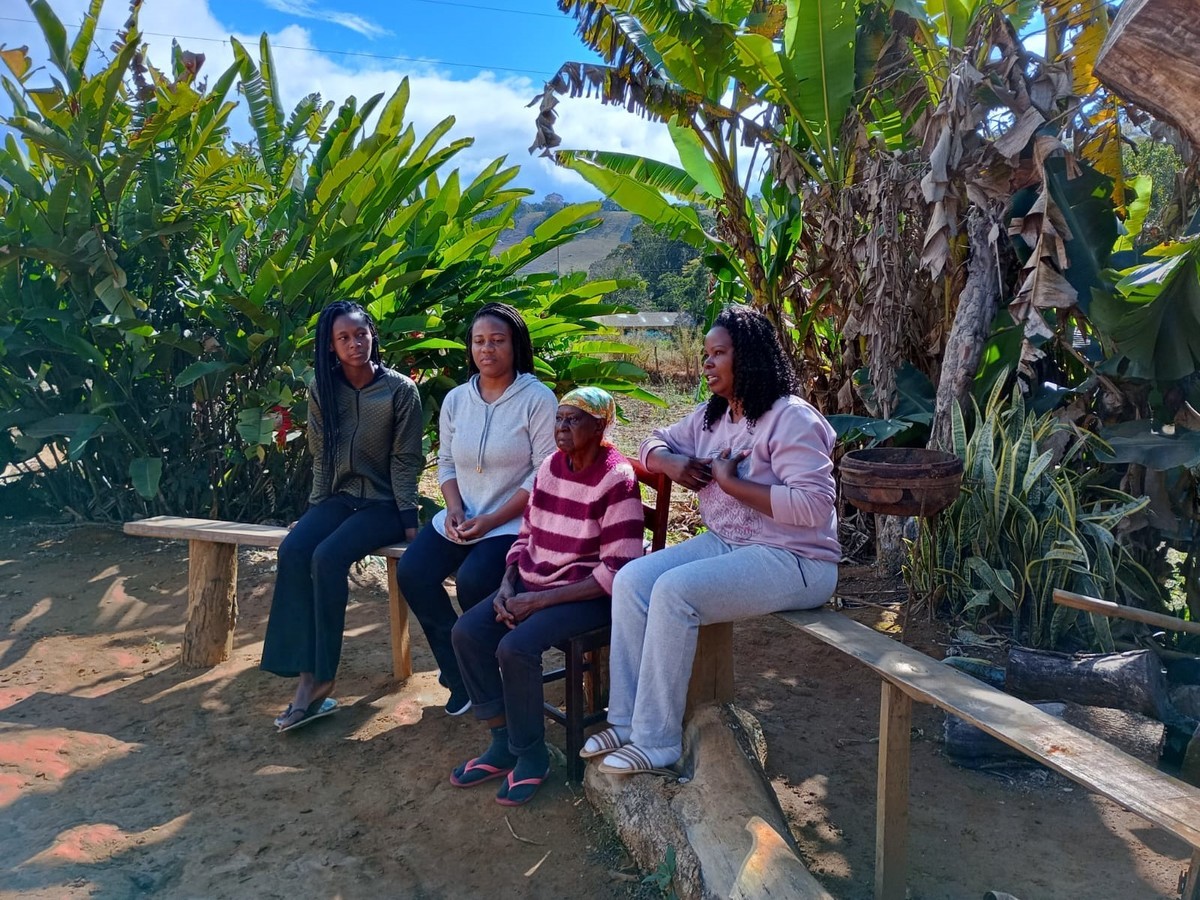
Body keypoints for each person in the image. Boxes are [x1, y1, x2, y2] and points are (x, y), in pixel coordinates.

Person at [583, 305, 840, 774]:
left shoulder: (790, 419)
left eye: (718, 353)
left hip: (796, 559)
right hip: (729, 542)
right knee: (633, 580)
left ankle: (657, 740)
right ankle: (624, 721)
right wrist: (672, 463)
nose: (707, 363)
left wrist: (731, 483)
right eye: (706, 353)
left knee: (674, 592)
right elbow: (652, 441)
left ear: (749, 357)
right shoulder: (715, 416)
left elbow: (814, 506)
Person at [448, 387, 645, 806]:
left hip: (588, 594)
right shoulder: (551, 467)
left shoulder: (617, 478)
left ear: (600, 427)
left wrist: (536, 602)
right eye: (559, 418)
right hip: (533, 581)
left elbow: (618, 570)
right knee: (467, 632)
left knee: (515, 648)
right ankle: (502, 741)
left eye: (574, 420)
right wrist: (507, 583)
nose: (562, 427)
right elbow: (526, 536)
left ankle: (531, 756)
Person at [261, 300, 423, 731]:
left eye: (361, 334)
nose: (355, 343)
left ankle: (321, 680)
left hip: (385, 505)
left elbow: (406, 460)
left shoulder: (400, 390)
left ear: (372, 334)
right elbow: (321, 456)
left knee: (327, 557)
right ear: (331, 345)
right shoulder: (323, 389)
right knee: (295, 550)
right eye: (344, 338)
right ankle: (305, 674)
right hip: (340, 499)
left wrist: (410, 522)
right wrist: (315, 510)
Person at [395, 303, 557, 716]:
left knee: (473, 582)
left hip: (512, 524)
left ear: (515, 345)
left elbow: (543, 473)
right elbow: (447, 463)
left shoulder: (537, 399)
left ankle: (489, 670)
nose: (487, 349)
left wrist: (492, 519)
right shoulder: (456, 399)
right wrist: (453, 508)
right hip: (462, 518)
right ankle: (460, 673)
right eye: (479, 341)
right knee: (412, 572)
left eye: (497, 340)